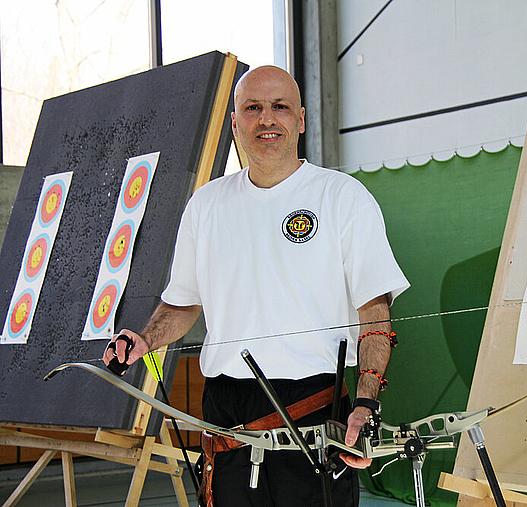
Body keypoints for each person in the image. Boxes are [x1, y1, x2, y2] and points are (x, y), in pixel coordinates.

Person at [103, 65, 409, 507]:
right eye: (253, 108)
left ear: (300, 120)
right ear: (234, 124)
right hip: (226, 412)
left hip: (314, 404)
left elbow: (374, 313)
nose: (267, 119)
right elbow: (182, 306)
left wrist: (366, 403)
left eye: (279, 107)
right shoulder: (206, 205)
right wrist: (145, 339)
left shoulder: (343, 197)